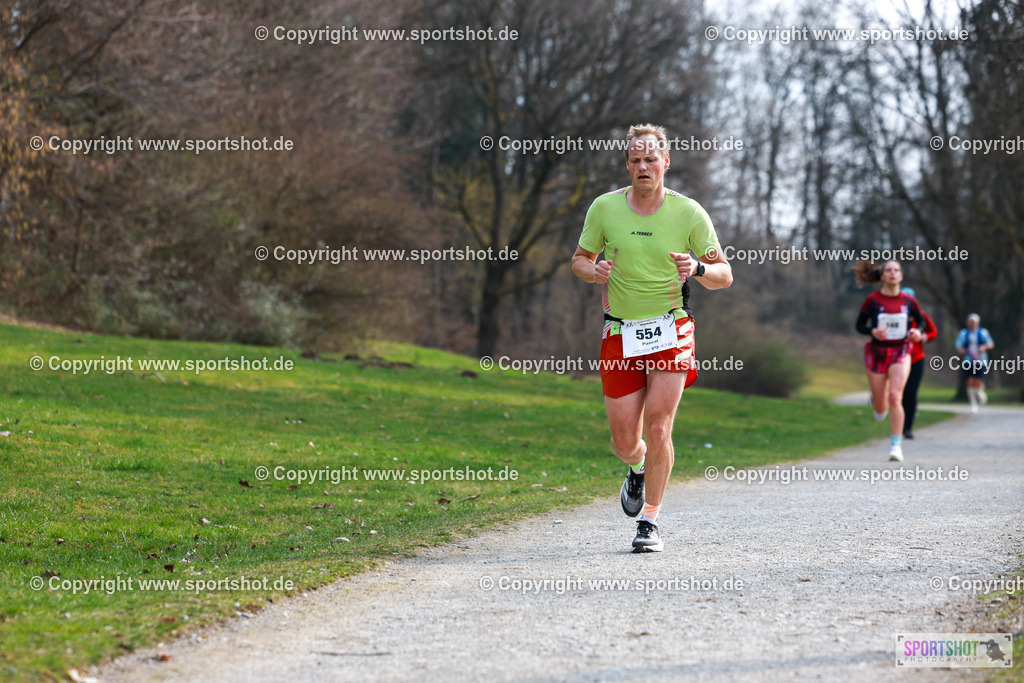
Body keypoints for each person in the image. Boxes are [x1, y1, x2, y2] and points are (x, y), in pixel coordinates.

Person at [571, 123, 732, 553]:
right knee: (626, 442)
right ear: (627, 164)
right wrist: (593, 271)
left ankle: (650, 522)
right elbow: (580, 260)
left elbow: (724, 275)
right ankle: (637, 469)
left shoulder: (689, 214)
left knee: (660, 427)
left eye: (650, 159)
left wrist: (697, 268)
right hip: (620, 331)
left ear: (666, 162)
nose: (643, 167)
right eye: (635, 159)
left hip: (671, 328)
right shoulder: (604, 208)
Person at [853, 260, 926, 462]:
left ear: (901, 276)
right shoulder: (872, 300)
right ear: (882, 276)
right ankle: (878, 404)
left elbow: (920, 321)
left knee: (896, 396)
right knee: (880, 406)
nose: (893, 273)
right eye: (888, 270)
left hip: (900, 351)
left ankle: (896, 446)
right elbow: (859, 325)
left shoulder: (909, 301)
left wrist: (916, 332)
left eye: (896, 270)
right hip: (877, 352)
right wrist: (872, 331)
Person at [898, 287, 937, 439]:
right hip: (898, 358)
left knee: (911, 393)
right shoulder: (894, 315)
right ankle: (897, 427)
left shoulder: (921, 316)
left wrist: (923, 337)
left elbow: (933, 332)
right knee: (899, 393)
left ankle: (908, 427)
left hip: (916, 359)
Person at [955, 314, 995, 413]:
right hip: (968, 360)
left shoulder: (983, 332)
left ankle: (980, 393)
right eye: (970, 322)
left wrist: (984, 347)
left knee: (979, 381)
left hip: (981, 360)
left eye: (973, 322)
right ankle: (973, 404)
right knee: (970, 381)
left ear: (977, 323)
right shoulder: (963, 333)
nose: (972, 324)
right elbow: (958, 345)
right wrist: (962, 350)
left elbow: (991, 344)